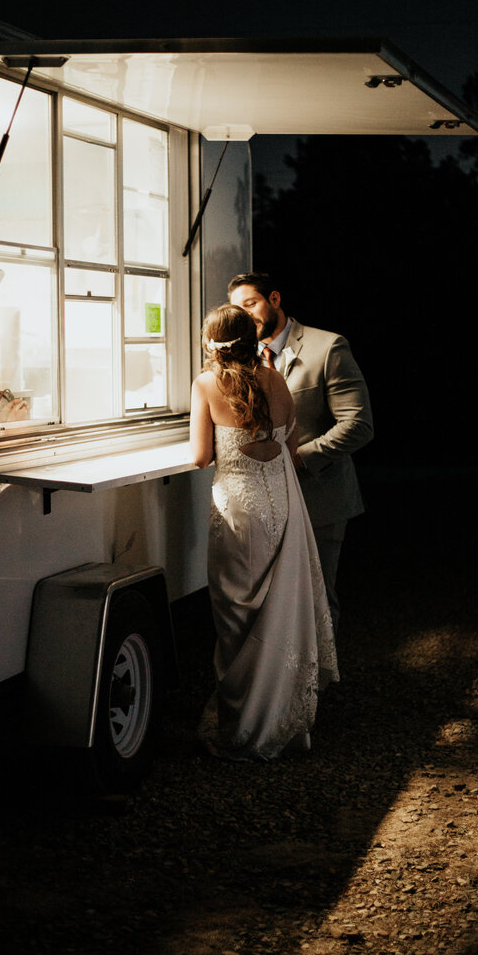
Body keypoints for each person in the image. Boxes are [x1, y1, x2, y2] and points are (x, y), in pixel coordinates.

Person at [189, 304, 338, 761]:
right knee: (281, 610)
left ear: (212, 344)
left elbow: (198, 456)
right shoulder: (275, 380)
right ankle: (285, 723)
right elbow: (289, 444)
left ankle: (242, 732)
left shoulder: (207, 383)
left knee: (237, 616)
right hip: (283, 509)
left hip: (239, 512)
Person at [228, 273, 373, 633]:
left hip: (318, 497)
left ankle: (318, 685)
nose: (247, 317)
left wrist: (298, 458)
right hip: (260, 504)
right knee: (270, 602)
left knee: (315, 600)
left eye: (251, 304)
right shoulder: (240, 357)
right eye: (238, 310)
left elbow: (358, 425)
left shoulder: (328, 347)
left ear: (274, 299)